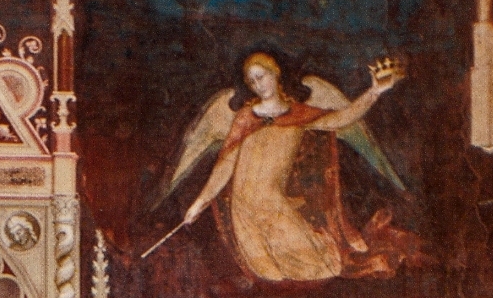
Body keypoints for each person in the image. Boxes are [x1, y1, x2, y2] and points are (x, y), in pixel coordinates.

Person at [178, 52, 417, 282]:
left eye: (261, 77)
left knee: (322, 267)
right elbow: (225, 166)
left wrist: (374, 91)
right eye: (252, 81)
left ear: (275, 73)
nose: (258, 85)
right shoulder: (245, 117)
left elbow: (343, 118)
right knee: (268, 273)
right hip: (244, 211)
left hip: (273, 205)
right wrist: (199, 203)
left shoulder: (299, 115)